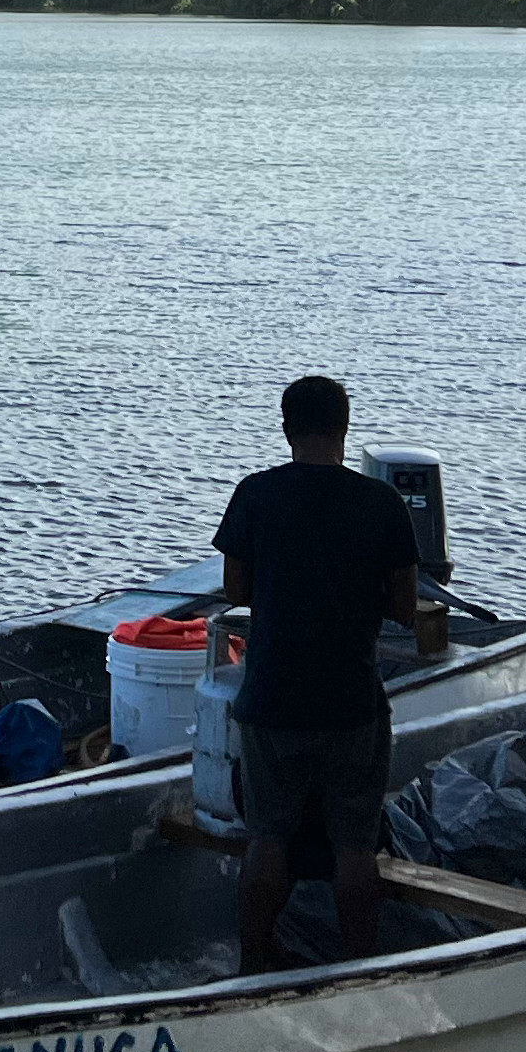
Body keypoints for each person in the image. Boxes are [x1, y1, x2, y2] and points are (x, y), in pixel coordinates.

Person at [212, 373, 428, 973]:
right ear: (345, 428)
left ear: (286, 429)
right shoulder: (381, 503)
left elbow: (235, 587)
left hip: (272, 697)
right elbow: (406, 608)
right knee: (355, 843)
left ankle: (256, 959)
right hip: (351, 701)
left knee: (269, 836)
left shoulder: (255, 493)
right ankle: (360, 966)